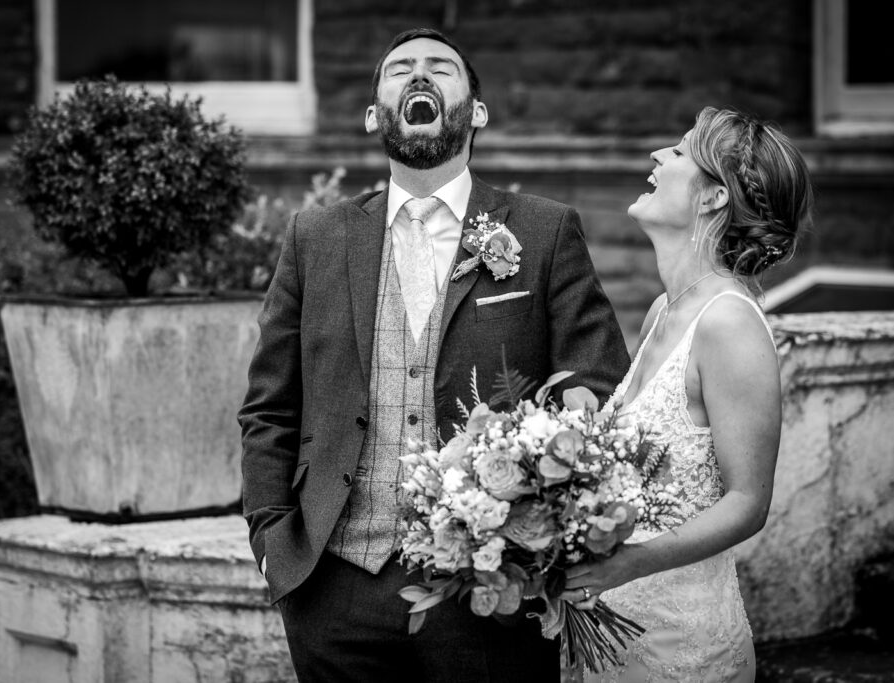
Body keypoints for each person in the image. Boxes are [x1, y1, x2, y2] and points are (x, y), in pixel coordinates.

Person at [239, 27, 630, 683]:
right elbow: (270, 407)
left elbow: (596, 387)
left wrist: (555, 538)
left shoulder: (542, 229)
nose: (419, 76)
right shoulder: (316, 237)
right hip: (334, 589)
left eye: (441, 68)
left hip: (493, 593)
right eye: (400, 70)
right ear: (373, 115)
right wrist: (272, 542)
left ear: (476, 110)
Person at [561, 107, 813, 682]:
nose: (657, 157)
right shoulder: (662, 312)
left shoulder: (729, 324)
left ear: (713, 198)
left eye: (677, 152)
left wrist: (629, 563)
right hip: (611, 631)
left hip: (681, 649)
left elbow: (748, 501)